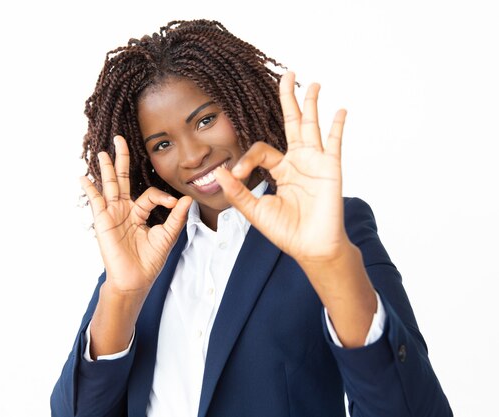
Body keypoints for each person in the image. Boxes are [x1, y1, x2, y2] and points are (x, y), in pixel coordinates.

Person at [51, 19, 452, 417]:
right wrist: (121, 295)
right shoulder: (145, 256)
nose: (191, 156)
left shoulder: (333, 227)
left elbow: (411, 408)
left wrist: (331, 265)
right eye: (162, 144)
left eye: (205, 120)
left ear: (241, 105)